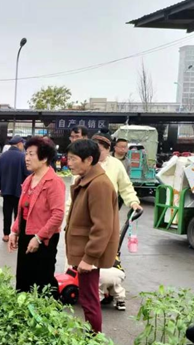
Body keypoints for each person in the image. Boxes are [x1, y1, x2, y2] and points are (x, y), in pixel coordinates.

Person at [65, 139, 119, 333]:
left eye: (73, 159)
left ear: (88, 160)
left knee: (89, 299)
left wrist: (90, 258)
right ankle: (92, 341)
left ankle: (93, 342)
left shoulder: (99, 185)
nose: (68, 163)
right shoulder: (87, 180)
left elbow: (103, 227)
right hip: (84, 251)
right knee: (87, 298)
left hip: (89, 254)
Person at [8, 137, 66, 293]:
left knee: (42, 280)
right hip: (26, 231)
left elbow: (58, 215)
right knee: (24, 277)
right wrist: (14, 231)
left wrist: (39, 238)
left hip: (44, 237)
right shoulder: (29, 179)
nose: (26, 158)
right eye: (26, 153)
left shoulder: (54, 182)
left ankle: (46, 314)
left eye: (31, 154)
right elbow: (22, 209)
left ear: (45, 158)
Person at [92, 133, 142, 211]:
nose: (96, 154)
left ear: (108, 149)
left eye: (100, 151)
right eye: (93, 150)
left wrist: (133, 202)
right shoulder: (85, 164)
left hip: (108, 209)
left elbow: (126, 186)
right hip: (87, 210)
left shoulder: (116, 164)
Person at [0, 136, 30, 242]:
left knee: (6, 212)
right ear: (19, 144)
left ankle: (6, 234)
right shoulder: (22, 157)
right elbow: (27, 174)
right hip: (20, 191)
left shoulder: (2, 156)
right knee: (18, 214)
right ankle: (16, 235)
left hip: (6, 190)